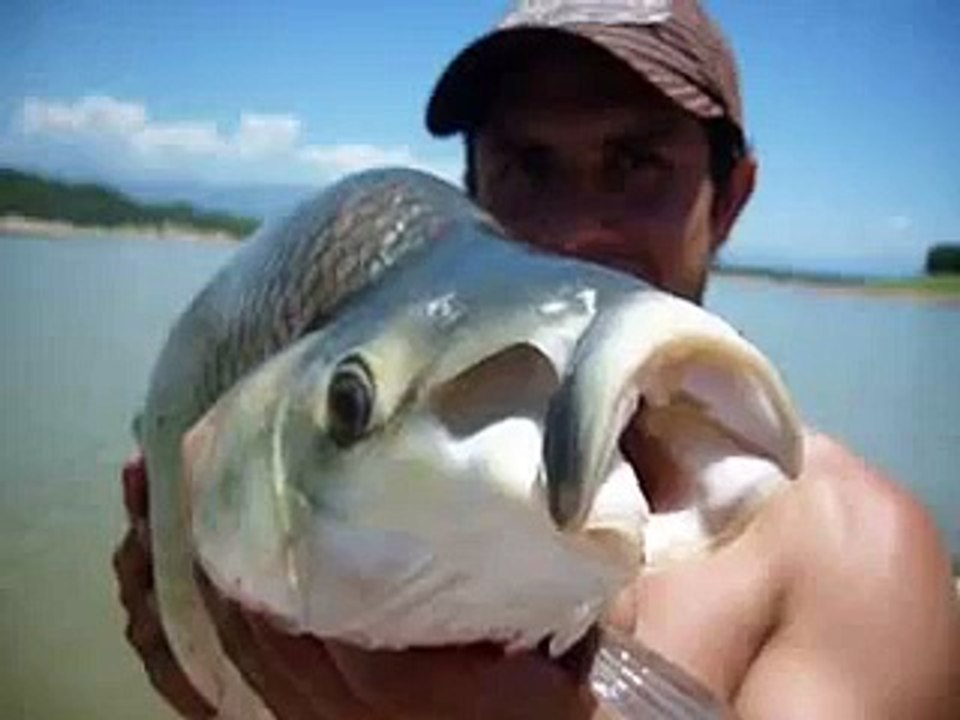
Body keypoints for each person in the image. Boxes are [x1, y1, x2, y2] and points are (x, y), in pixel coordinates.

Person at [114, 1, 960, 717]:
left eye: (635, 165)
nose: (573, 233)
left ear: (729, 198)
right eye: (527, 166)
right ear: (472, 188)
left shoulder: (858, 560)